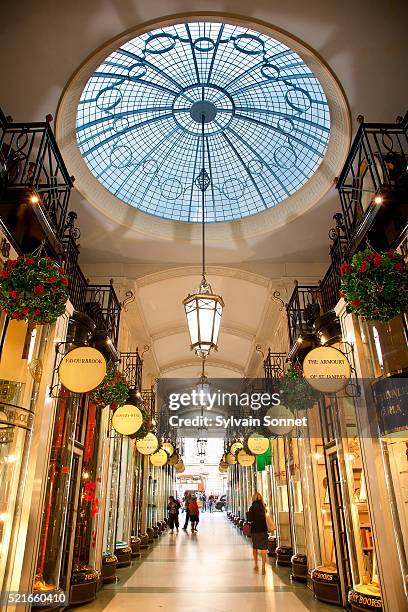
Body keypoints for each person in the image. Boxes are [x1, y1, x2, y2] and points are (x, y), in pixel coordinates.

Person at [246, 492, 268, 574]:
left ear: (253, 498)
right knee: (263, 548)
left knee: (255, 547)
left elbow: (249, 520)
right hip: (263, 529)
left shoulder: (252, 507)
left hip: (255, 530)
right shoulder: (263, 506)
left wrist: (247, 513)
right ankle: (263, 566)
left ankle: (256, 564)